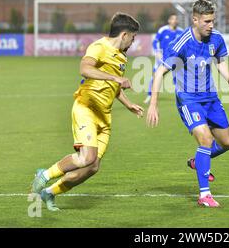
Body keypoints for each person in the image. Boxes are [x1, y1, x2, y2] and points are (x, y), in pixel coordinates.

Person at [30, 13, 144, 211]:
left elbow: (112, 87)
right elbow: (85, 69)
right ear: (124, 34)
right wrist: (116, 79)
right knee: (86, 158)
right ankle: (45, 175)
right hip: (86, 108)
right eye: (132, 37)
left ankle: (49, 193)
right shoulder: (99, 47)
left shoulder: (121, 56)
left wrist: (128, 104)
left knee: (92, 167)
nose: (133, 42)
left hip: (104, 117)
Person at [146, 0, 229, 208]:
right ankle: (204, 195)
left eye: (213, 21)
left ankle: (198, 162)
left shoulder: (216, 39)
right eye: (207, 21)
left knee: (227, 143)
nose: (211, 25)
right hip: (189, 99)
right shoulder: (181, 43)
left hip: (211, 98)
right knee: (205, 140)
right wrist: (153, 104)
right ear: (195, 19)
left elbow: (221, 64)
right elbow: (160, 72)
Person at [144, 14, 183, 104]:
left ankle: (181, 96)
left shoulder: (181, 32)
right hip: (162, 58)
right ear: (169, 21)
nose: (175, 20)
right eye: (173, 19)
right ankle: (150, 95)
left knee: (179, 77)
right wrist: (158, 52)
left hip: (176, 59)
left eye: (176, 19)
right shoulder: (163, 30)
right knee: (156, 76)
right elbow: (155, 41)